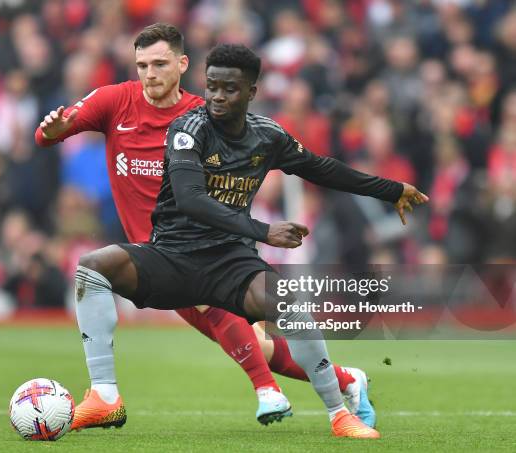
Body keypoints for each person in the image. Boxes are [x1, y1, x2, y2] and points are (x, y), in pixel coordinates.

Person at [72, 43, 428, 439]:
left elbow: (320, 168)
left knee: (288, 303)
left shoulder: (267, 136)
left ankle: (340, 415)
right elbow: (191, 201)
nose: (217, 97)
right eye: (211, 87)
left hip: (230, 263)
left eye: (229, 89)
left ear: (251, 92)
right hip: (173, 256)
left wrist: (390, 189)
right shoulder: (187, 130)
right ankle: (104, 395)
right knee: (93, 267)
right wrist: (263, 230)